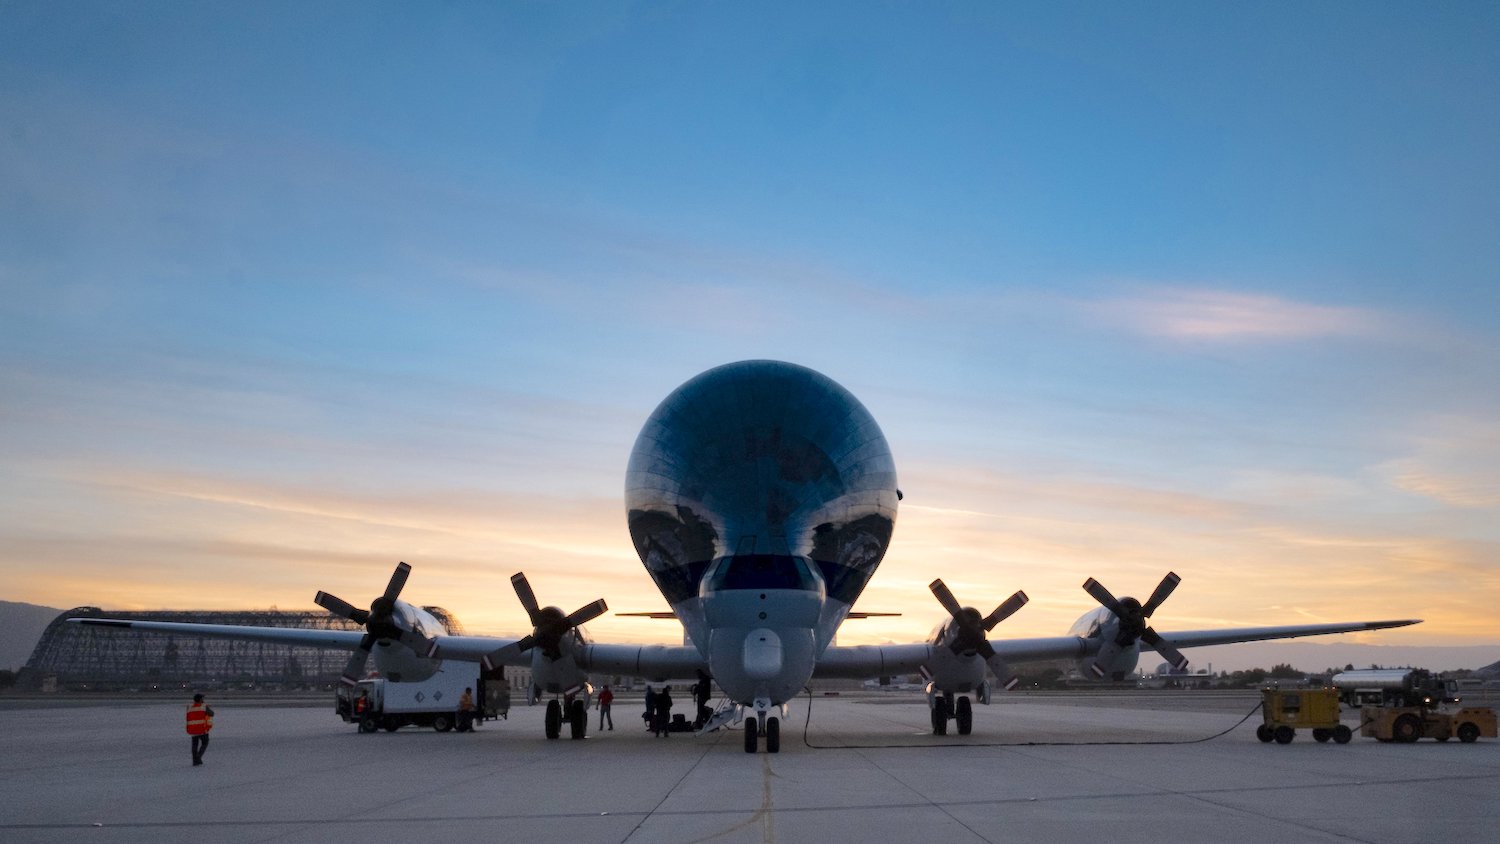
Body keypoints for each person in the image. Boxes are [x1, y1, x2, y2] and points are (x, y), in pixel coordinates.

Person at [186, 693, 214, 766]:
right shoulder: (203, 706)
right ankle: (198, 757)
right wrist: (204, 705)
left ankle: (195, 761)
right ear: (200, 699)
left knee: (194, 745)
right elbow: (211, 714)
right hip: (202, 729)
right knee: (205, 743)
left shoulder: (189, 707)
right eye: (202, 698)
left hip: (192, 729)